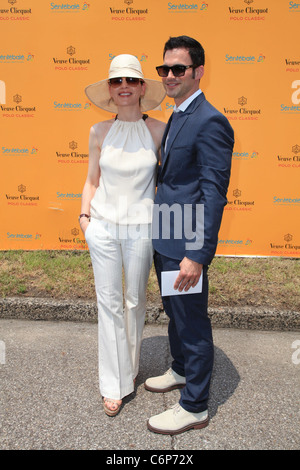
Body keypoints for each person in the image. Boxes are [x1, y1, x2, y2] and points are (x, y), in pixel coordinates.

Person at [145, 36, 234, 435]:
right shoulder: (179, 113)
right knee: (175, 314)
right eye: (165, 69)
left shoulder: (210, 120)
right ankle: (181, 370)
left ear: (198, 72)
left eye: (178, 69)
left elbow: (214, 194)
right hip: (166, 236)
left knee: (192, 322)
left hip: (186, 244)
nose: (169, 76)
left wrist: (196, 255)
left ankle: (195, 404)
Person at [80, 54, 166, 417]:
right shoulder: (98, 131)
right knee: (108, 303)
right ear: (110, 91)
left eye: (131, 80)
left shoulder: (160, 130)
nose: (124, 87)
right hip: (102, 227)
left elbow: (171, 181)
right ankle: (113, 384)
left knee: (134, 301)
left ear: (143, 87)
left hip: (142, 229)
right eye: (117, 82)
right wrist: (85, 220)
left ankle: (129, 370)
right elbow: (91, 180)